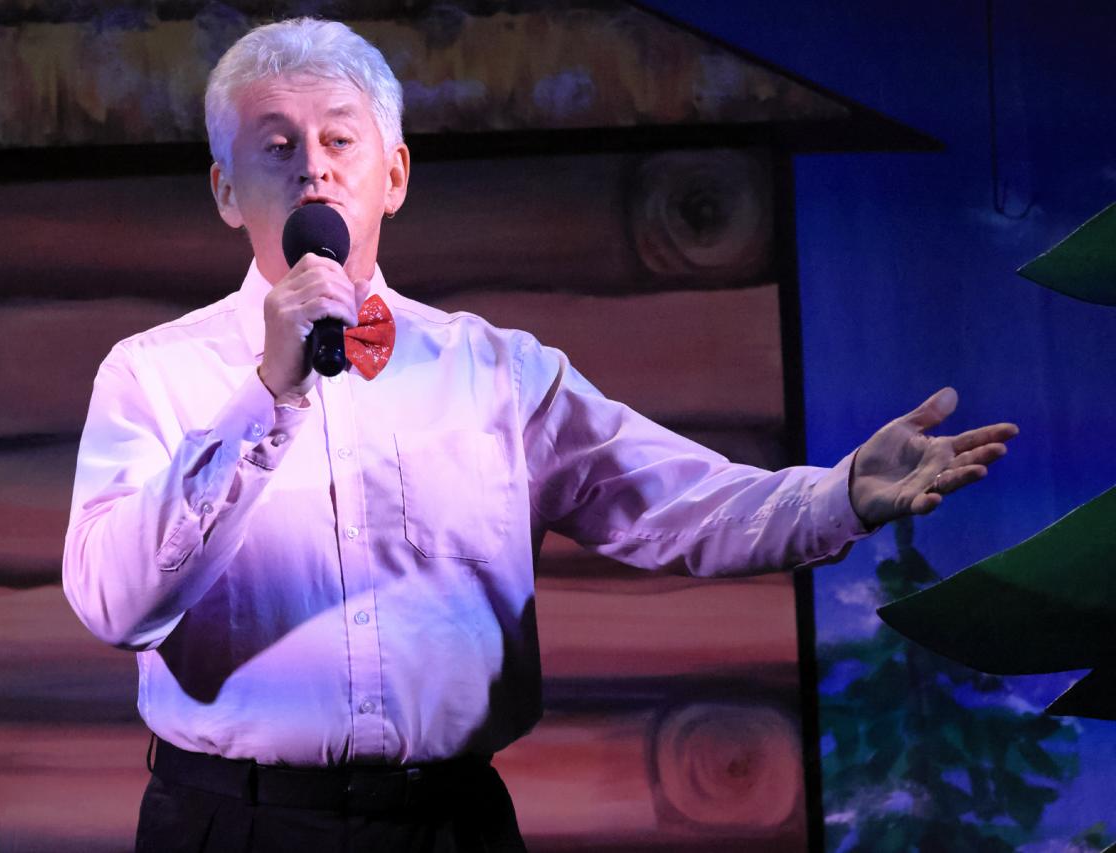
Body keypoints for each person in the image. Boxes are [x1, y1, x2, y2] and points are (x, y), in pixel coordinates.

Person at [62, 17, 1017, 853]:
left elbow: (678, 503)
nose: (313, 166)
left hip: (450, 823)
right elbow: (115, 604)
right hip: (231, 823)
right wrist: (266, 393)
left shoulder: (498, 372)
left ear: (393, 176)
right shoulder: (151, 375)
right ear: (227, 190)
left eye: (340, 140)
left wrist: (840, 493)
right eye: (277, 145)